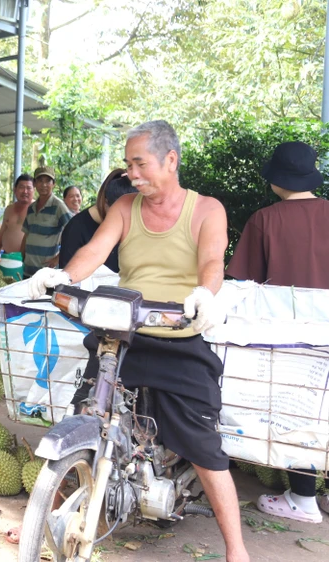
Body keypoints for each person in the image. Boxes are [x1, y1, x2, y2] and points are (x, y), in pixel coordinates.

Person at [28, 120, 250, 562]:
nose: (132, 173)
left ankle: (236, 549)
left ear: (171, 159)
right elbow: (95, 250)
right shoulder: (125, 207)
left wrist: (206, 294)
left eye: (139, 163)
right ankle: (40, 520)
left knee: (202, 444)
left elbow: (211, 259)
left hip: (178, 336)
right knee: (86, 414)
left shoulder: (207, 209)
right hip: (122, 332)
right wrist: (64, 275)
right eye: (129, 164)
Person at [225, 141, 329, 523]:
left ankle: (303, 501)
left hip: (286, 338)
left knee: (297, 413)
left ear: (277, 179)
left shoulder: (265, 220)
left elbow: (243, 284)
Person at [59, 169, 138, 272]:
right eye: (120, 215)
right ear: (106, 203)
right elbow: (67, 277)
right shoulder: (75, 229)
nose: (125, 222)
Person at [21, 166, 71, 277]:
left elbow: (74, 232)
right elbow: (26, 236)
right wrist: (21, 258)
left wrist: (59, 257)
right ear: (34, 183)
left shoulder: (58, 206)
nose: (44, 185)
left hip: (47, 274)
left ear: (53, 184)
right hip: (27, 271)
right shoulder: (31, 208)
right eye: (40, 181)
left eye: (48, 181)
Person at [0, 174, 35, 256]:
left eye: (29, 188)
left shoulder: (37, 209)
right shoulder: (9, 209)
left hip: (29, 260)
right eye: (21, 187)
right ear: (15, 190)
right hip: (7, 257)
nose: (25, 191)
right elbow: (2, 233)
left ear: (34, 190)